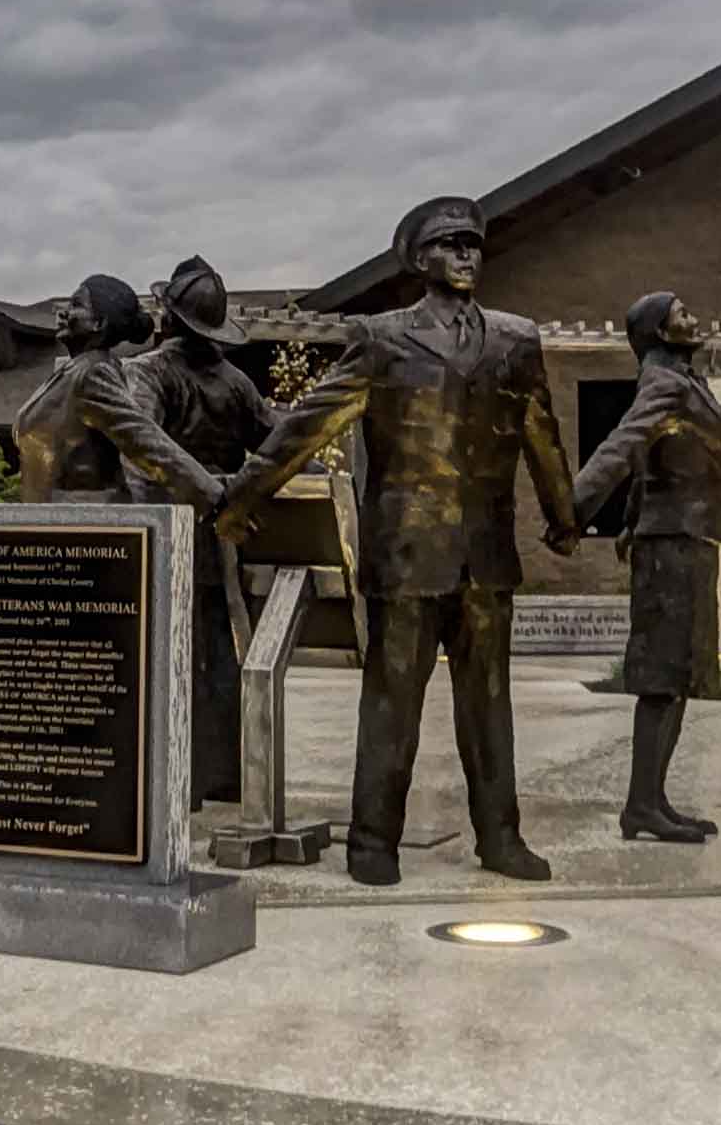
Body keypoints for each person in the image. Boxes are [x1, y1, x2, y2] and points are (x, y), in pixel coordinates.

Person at [216, 197, 573, 883]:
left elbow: (542, 432)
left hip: (487, 556)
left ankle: (500, 837)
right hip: (406, 554)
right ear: (419, 258)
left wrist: (563, 515)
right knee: (391, 706)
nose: (466, 253)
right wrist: (245, 494)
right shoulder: (380, 338)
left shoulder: (515, 339)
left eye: (473, 242)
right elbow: (310, 423)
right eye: (449, 243)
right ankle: (373, 842)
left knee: (489, 706)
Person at [566, 288, 721, 842]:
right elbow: (623, 445)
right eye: (681, 314)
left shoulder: (684, 381)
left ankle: (652, 800)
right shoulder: (664, 383)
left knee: (678, 677)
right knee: (663, 679)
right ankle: (641, 805)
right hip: (670, 547)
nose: (693, 318)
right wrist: (571, 509)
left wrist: (631, 517)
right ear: (661, 334)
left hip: (686, 538)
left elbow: (647, 460)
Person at [142, 254, 275, 801]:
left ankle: (182, 780)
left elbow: (139, 447)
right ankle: (219, 777)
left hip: (173, 541)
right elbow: (276, 449)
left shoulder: (148, 372)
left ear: (169, 317)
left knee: (177, 661)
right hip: (227, 545)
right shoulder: (238, 382)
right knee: (221, 655)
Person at [11, 273, 222, 514]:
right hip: (51, 520)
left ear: (98, 323)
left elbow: (145, 440)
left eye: (76, 305)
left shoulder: (93, 373)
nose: (63, 312)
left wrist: (215, 497)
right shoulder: (73, 369)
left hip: (85, 525)